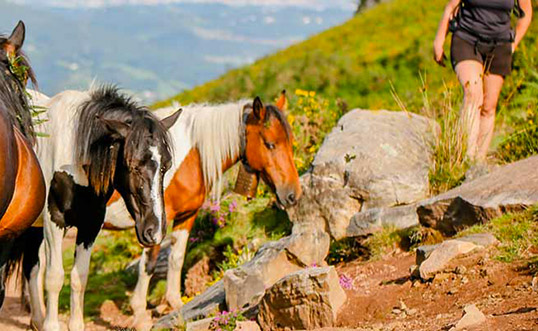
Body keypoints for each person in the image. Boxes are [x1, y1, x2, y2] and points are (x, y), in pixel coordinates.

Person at [433, 0, 533, 163]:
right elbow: (451, 7)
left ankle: (478, 162)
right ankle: (466, 157)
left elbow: (526, 14)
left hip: (500, 45)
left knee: (488, 106)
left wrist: (513, 44)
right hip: (466, 39)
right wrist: (438, 41)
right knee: (473, 93)